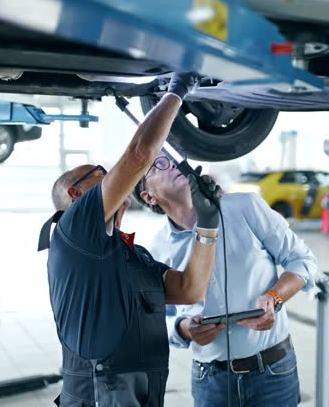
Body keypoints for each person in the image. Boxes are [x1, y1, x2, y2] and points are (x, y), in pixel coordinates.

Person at [38, 72, 222, 407]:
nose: (110, 174)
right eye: (99, 172)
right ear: (76, 192)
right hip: (99, 396)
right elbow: (139, 154)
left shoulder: (134, 255)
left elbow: (189, 289)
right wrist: (178, 91)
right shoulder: (72, 232)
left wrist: (207, 227)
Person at [134, 160, 318, 407]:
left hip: (273, 372)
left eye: (170, 158)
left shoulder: (245, 207)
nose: (172, 165)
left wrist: (274, 298)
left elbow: (301, 260)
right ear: (149, 196)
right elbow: (153, 319)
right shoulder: (157, 250)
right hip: (211, 381)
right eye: (157, 166)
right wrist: (185, 328)